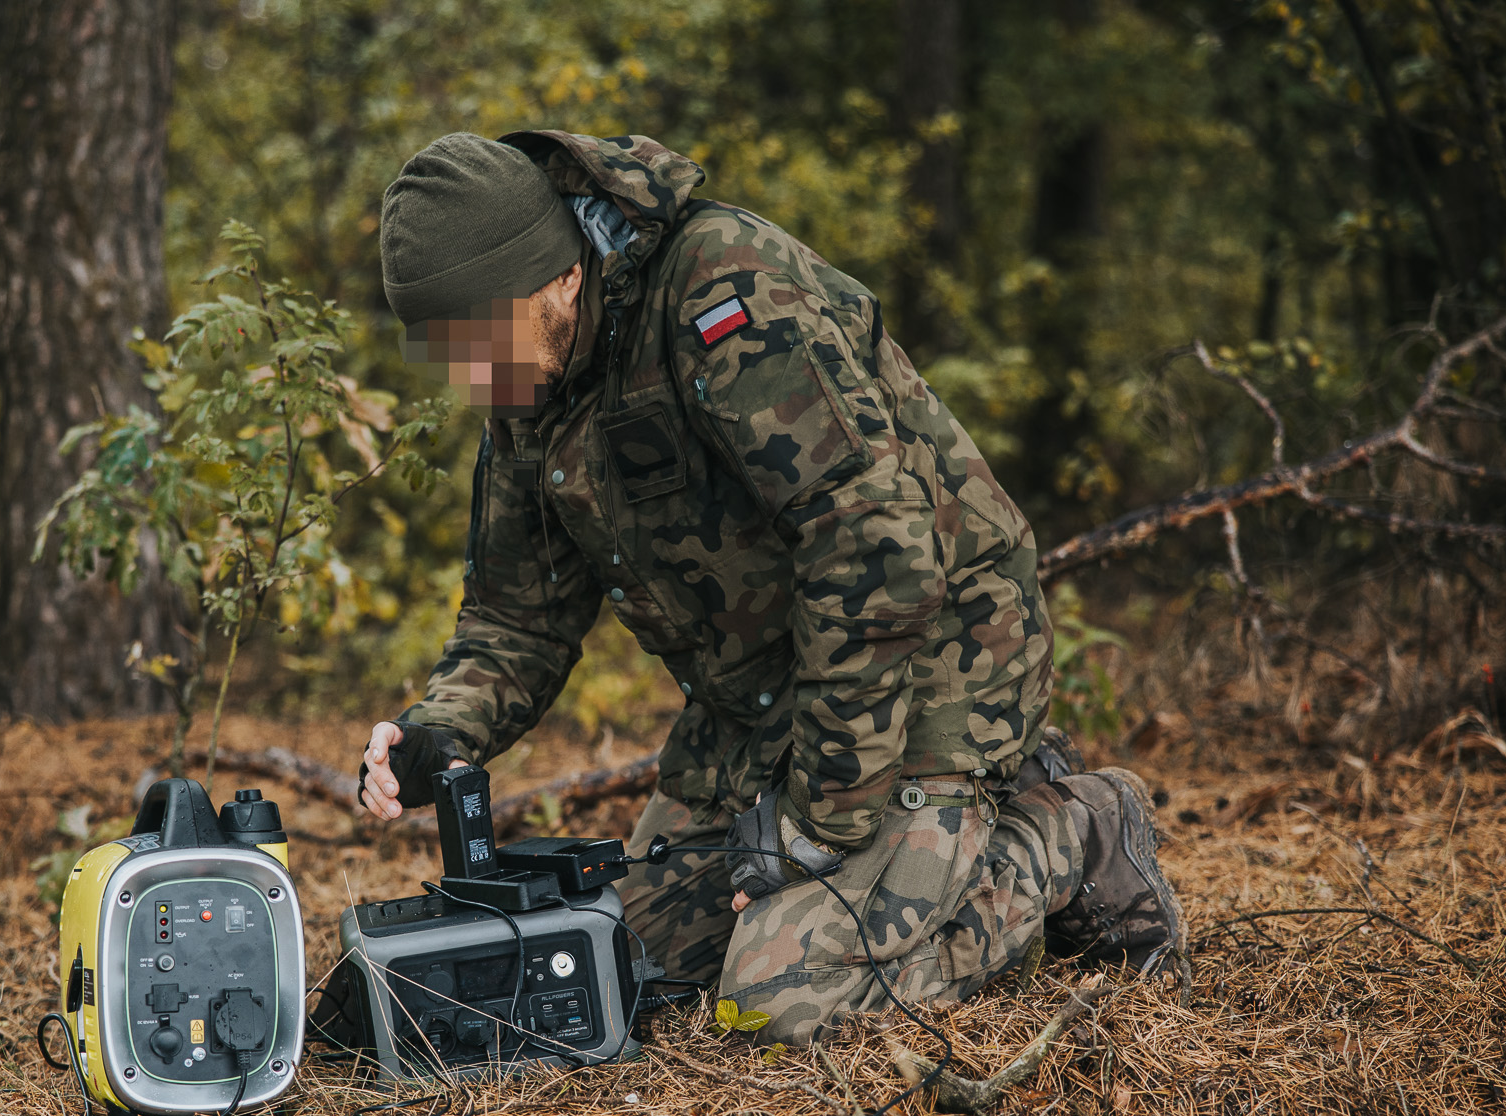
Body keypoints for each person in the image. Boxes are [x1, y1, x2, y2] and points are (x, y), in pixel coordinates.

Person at [357, 130, 1185, 1043]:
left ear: (558, 276)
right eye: (440, 347)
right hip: (761, 704)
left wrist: (816, 823)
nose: (465, 372)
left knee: (775, 997)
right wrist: (443, 729)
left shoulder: (725, 292)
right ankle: (936, 837)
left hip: (934, 665)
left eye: (476, 336)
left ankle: (1066, 829)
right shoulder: (524, 384)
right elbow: (517, 614)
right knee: (617, 966)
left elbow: (874, 549)